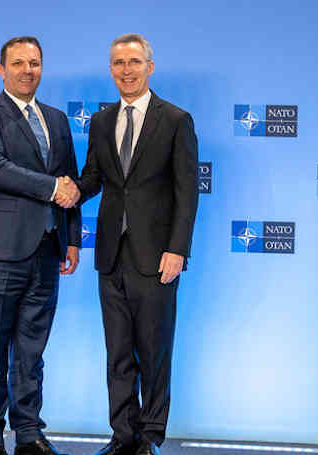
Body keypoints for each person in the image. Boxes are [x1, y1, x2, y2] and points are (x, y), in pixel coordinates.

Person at [76, 33, 199, 455]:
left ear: (149, 66)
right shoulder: (101, 121)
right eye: (117, 63)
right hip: (111, 256)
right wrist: (65, 189)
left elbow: (187, 191)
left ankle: (149, 438)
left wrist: (177, 249)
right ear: (110, 69)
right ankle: (122, 435)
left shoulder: (176, 119)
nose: (125, 71)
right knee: (118, 355)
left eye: (133, 62)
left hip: (157, 257)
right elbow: (94, 178)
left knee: (154, 353)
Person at [0, 36, 82, 455]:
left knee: (32, 351)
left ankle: (30, 433)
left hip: (48, 251)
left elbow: (70, 181)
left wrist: (71, 239)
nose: (27, 70)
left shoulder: (55, 118)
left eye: (34, 63)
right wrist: (54, 189)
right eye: (18, 63)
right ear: (2, 70)